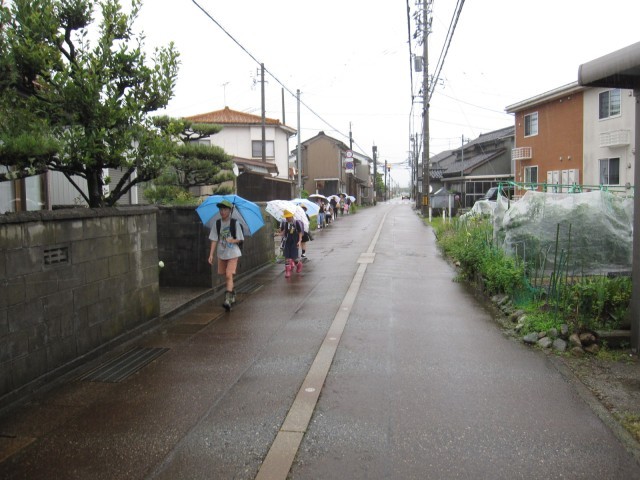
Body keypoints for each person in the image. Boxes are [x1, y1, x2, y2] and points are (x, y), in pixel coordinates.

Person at [208, 199, 244, 311]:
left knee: (228, 274)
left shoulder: (235, 223)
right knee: (226, 276)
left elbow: (240, 238)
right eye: (221, 209)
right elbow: (214, 239)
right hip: (222, 253)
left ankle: (228, 300)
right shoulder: (217, 223)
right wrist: (211, 255)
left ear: (230, 210)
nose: (222, 211)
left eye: (225, 209)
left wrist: (232, 240)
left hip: (233, 253)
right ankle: (232, 293)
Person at [280, 209, 303, 278]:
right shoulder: (285, 223)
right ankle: (287, 272)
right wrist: (279, 234)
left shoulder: (296, 223)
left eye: (288, 217)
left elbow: (300, 232)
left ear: (291, 216)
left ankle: (299, 265)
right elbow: (284, 232)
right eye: (286, 217)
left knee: (294, 258)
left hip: (294, 242)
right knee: (287, 257)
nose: (287, 218)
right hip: (287, 242)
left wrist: (299, 241)